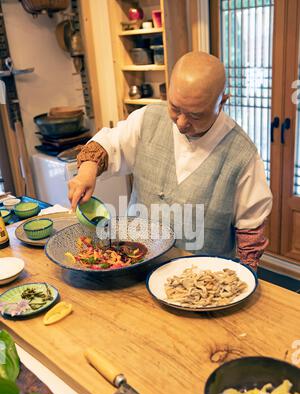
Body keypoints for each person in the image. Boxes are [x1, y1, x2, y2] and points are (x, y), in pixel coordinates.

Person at [68, 52, 272, 270]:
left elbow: (251, 228)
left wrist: (246, 272)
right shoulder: (147, 119)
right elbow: (110, 143)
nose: (182, 123)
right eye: (175, 108)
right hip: (136, 261)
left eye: (195, 115)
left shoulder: (242, 154)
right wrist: (86, 172)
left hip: (203, 279)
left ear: (222, 102)